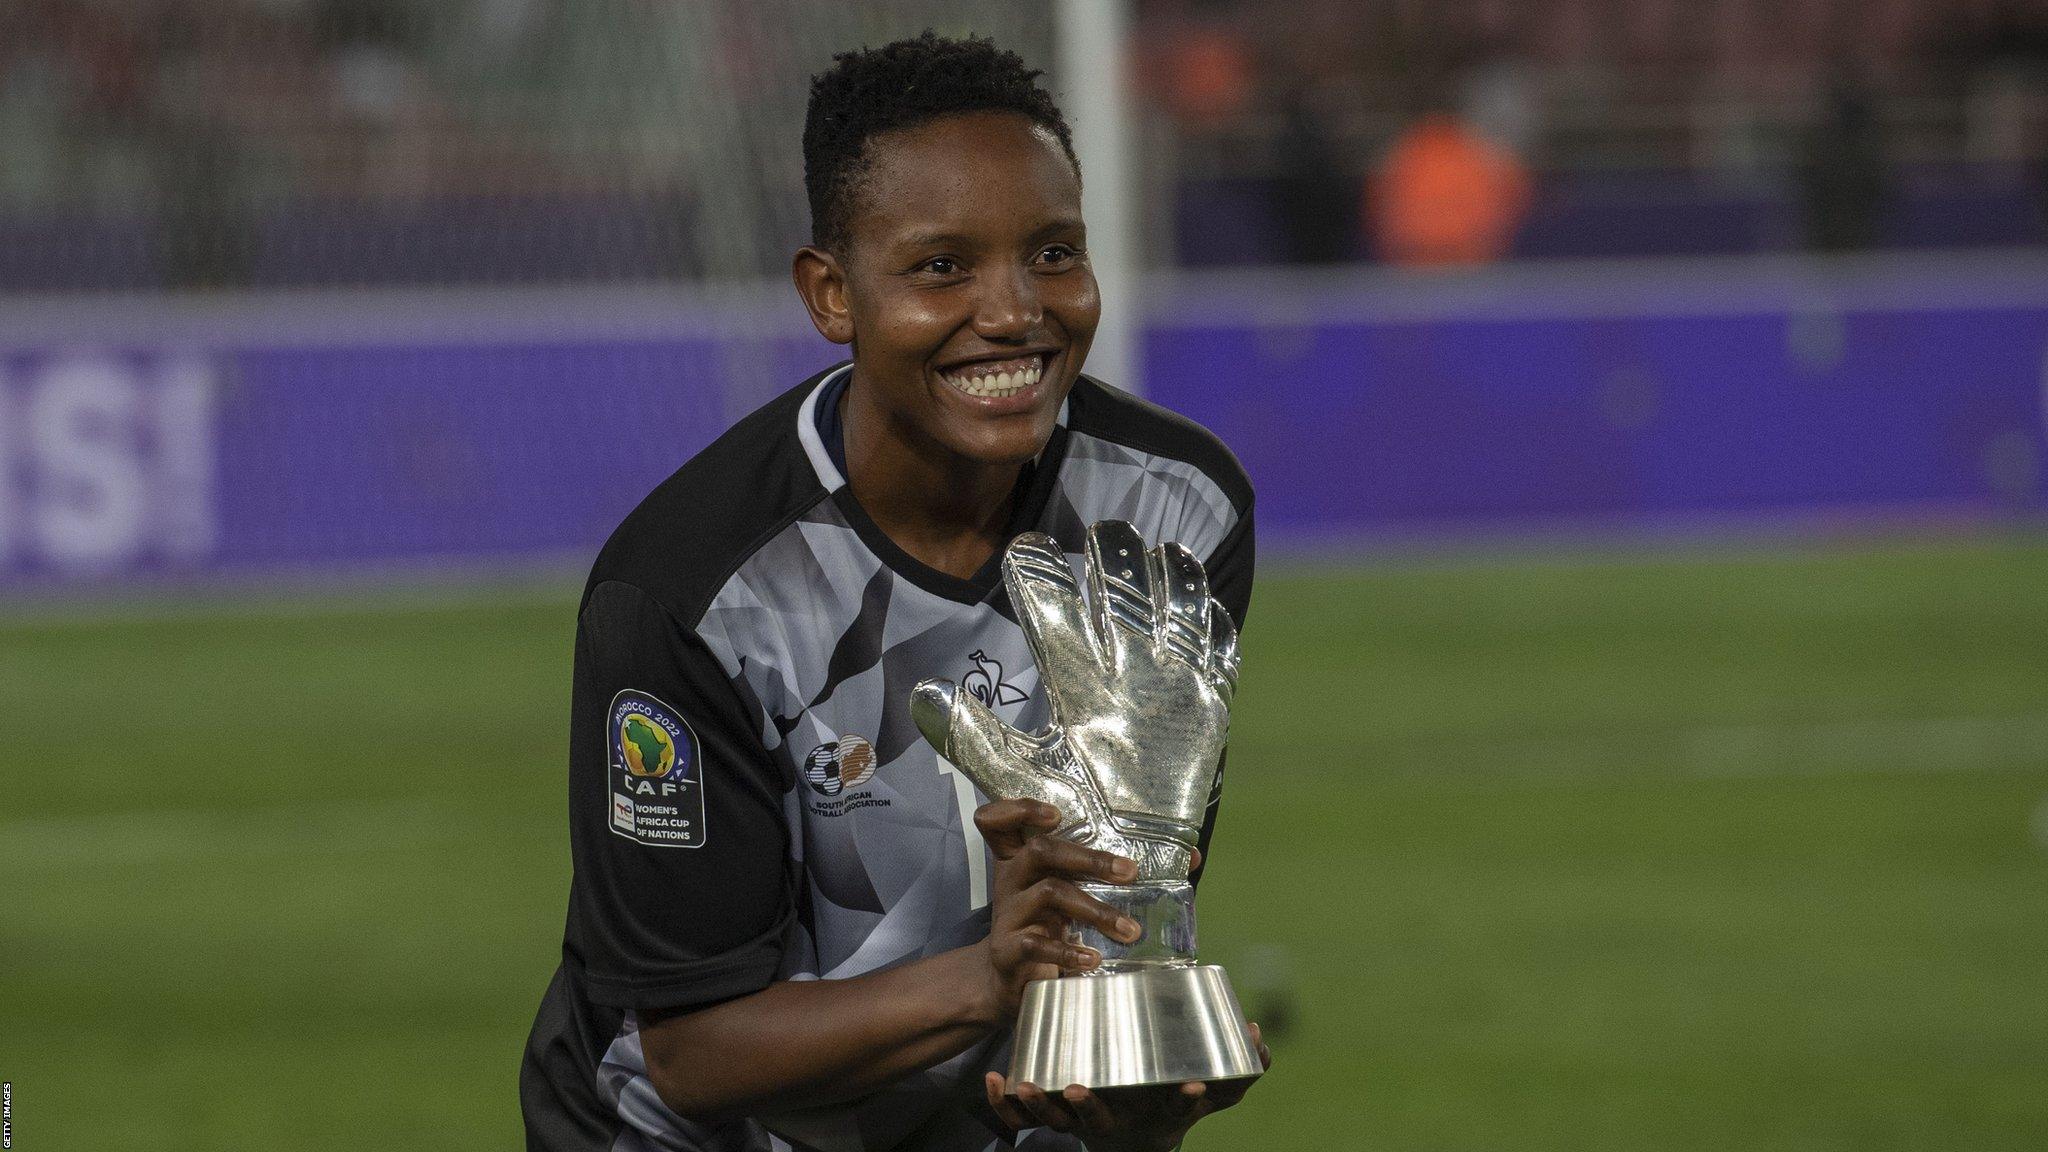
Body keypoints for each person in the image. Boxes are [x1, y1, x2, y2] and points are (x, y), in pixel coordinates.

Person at [521, 32, 1263, 1152]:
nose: (1014, 311)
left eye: (1053, 253)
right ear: (832, 293)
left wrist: (1131, 1092)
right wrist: (985, 981)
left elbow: (1117, 922)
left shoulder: (1172, 516)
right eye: (940, 267)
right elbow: (690, 1053)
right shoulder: (694, 589)